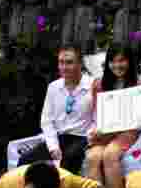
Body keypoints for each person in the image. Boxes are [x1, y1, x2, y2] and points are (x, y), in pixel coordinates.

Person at [84, 48, 141, 188]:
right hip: (104, 131)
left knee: (110, 154)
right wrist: (95, 130)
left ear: (130, 62)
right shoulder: (99, 84)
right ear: (107, 63)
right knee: (93, 156)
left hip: (128, 130)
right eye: (113, 61)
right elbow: (96, 116)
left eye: (122, 61)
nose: (117, 65)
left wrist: (110, 130)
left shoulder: (139, 84)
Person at [18, 47, 93, 175]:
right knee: (25, 160)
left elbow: (97, 118)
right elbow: (46, 120)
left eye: (69, 62)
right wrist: (53, 146)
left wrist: (91, 137)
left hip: (83, 137)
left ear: (80, 64)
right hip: (58, 137)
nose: (64, 67)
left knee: (68, 159)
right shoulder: (54, 87)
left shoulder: (93, 85)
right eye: (61, 62)